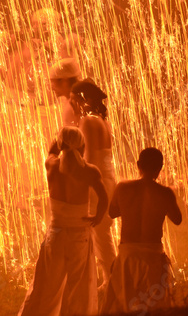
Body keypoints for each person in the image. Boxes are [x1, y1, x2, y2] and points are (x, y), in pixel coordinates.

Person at [19, 126, 108, 316]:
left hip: (56, 235)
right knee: (78, 288)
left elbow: (52, 151)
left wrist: (58, 141)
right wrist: (98, 217)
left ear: (61, 144)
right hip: (79, 236)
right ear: (82, 146)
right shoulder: (90, 171)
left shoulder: (51, 164)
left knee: (47, 286)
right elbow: (104, 197)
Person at [101, 147, 182, 314]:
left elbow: (112, 212)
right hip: (153, 257)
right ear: (160, 168)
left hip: (127, 257)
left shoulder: (122, 187)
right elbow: (177, 219)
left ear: (138, 164)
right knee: (154, 307)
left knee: (122, 306)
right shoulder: (165, 193)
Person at [69, 78, 117, 289]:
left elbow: (89, 159)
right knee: (101, 233)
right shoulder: (101, 120)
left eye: (72, 100)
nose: (70, 104)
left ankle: (113, 282)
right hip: (108, 179)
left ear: (81, 100)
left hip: (97, 183)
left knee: (100, 235)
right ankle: (110, 279)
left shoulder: (88, 121)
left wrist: (75, 181)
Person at [49, 57, 82, 127]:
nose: (52, 87)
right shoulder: (79, 100)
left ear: (64, 81)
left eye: (53, 81)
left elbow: (72, 136)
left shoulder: (73, 106)